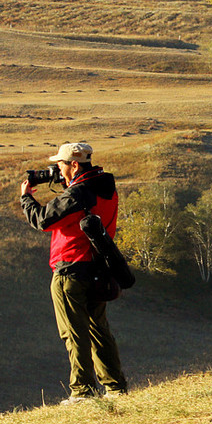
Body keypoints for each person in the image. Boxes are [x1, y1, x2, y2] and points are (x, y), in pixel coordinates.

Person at [19, 142, 129, 403]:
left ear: (74, 164)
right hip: (99, 269)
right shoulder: (107, 189)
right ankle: (115, 386)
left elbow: (42, 220)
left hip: (70, 269)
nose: (57, 169)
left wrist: (26, 198)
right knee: (99, 329)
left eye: (61, 164)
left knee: (74, 331)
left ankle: (83, 390)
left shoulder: (78, 193)